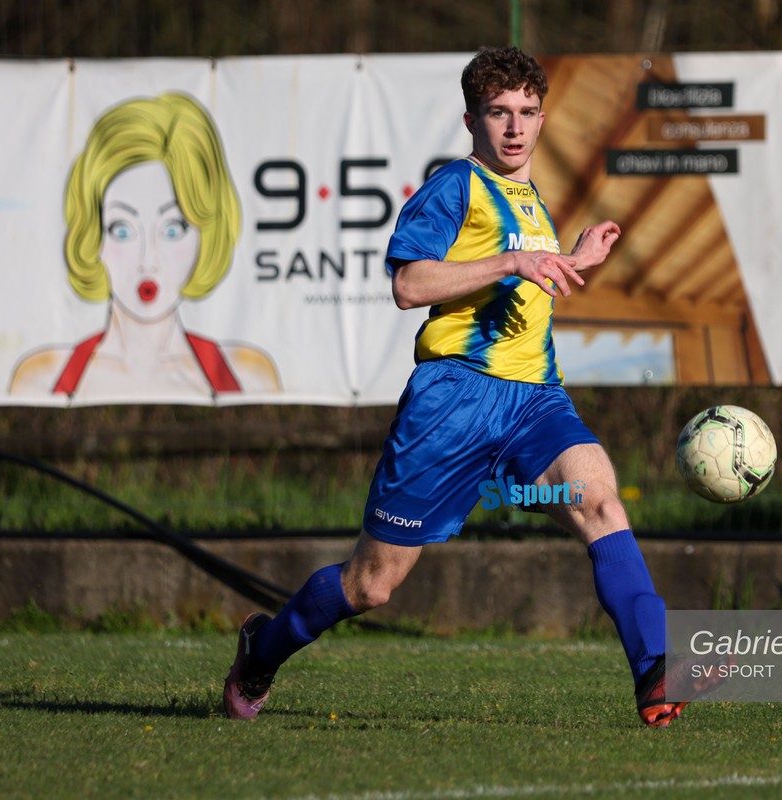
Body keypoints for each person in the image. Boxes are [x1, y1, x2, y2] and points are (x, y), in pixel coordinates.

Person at [224, 46, 697, 727]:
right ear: (472, 119)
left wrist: (572, 259)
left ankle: (655, 669)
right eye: (499, 112)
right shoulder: (455, 186)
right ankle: (262, 648)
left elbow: (523, 279)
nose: (515, 126)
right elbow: (409, 283)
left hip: (534, 401)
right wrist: (511, 260)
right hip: (453, 405)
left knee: (598, 499)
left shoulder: (531, 200)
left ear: (543, 118)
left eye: (528, 111)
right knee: (371, 584)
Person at [9, 92, 280, 400]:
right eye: (122, 230)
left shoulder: (251, 374)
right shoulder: (39, 378)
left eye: (173, 229)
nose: (148, 260)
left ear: (207, 234)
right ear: (91, 233)